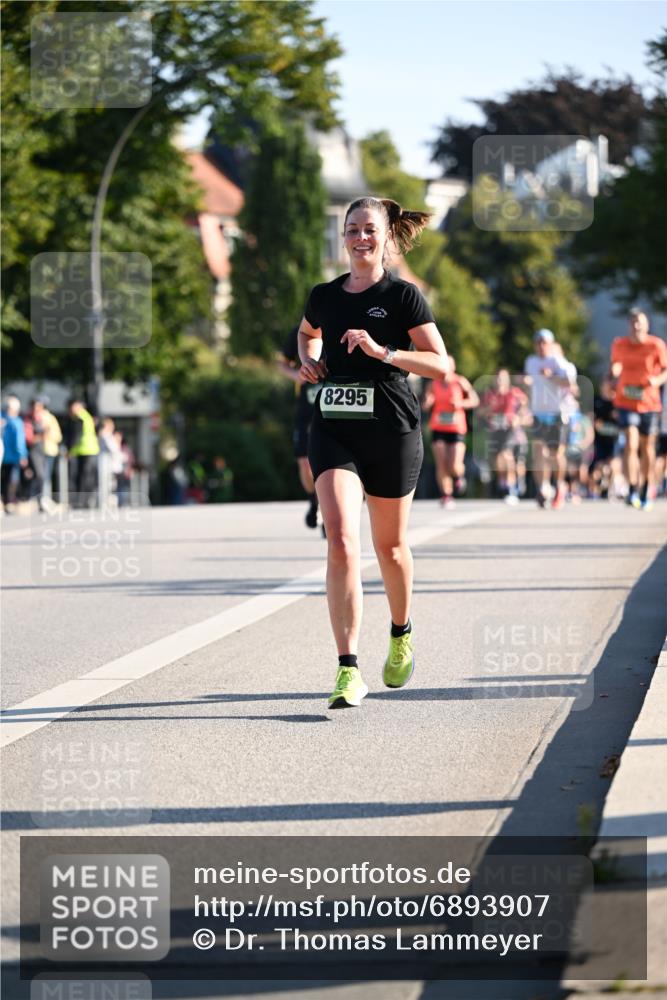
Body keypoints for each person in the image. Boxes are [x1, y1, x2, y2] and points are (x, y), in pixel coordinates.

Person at [298, 196, 448, 709]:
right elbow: (306, 334)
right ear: (343, 237)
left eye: (369, 229)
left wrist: (383, 352)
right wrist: (310, 362)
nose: (361, 237)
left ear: (386, 238)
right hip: (335, 426)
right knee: (340, 539)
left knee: (390, 549)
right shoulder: (323, 296)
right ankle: (347, 669)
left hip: (392, 425)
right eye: (352, 229)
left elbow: (440, 365)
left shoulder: (402, 296)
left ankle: (401, 630)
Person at [610, 308, 667, 511]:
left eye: (640, 322)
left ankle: (646, 488)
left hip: (649, 403)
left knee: (648, 447)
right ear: (629, 325)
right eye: (633, 322)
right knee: (631, 443)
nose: (636, 326)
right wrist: (614, 372)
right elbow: (615, 365)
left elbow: (666, 370)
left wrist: (657, 380)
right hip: (625, 401)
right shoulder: (619, 344)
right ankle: (633, 487)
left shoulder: (656, 345)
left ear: (647, 325)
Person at [523, 329, 578, 509]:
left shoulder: (558, 362)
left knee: (555, 455)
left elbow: (569, 384)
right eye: (538, 342)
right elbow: (530, 385)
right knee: (539, 452)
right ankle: (542, 488)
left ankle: (558, 485)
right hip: (539, 413)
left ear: (551, 344)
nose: (541, 345)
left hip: (557, 413)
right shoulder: (530, 362)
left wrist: (551, 377)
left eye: (544, 342)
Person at [277, 324, 321, 530]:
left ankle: (330, 508)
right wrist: (297, 376)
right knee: (305, 462)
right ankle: (315, 500)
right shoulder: (299, 332)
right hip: (306, 407)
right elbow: (282, 364)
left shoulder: (343, 323)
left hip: (335, 406)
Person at [423, 357, 479, 508]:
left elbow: (474, 400)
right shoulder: (433, 383)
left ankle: (459, 476)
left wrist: (461, 403)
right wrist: (428, 402)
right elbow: (427, 403)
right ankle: (446, 495)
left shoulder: (460, 381)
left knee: (454, 464)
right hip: (438, 426)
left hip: (456, 428)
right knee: (441, 463)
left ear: (453, 367)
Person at [478, 368, 529, 504]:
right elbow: (480, 412)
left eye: (503, 377)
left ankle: (512, 487)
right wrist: (489, 408)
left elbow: (525, 408)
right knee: (499, 460)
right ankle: (505, 483)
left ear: (507, 379)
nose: (500, 380)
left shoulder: (515, 393)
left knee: (509, 457)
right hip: (496, 431)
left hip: (513, 432)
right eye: (497, 378)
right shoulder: (489, 395)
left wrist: (518, 417)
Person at [66, 398, 100, 506]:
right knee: (87, 476)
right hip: (90, 450)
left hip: (84, 450)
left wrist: (70, 450)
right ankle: (87, 500)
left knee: (82, 477)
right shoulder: (86, 416)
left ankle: (81, 501)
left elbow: (77, 435)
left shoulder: (80, 417)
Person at [1, 396, 28, 512]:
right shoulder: (16, 422)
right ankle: (9, 502)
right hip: (12, 457)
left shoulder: (2, 419)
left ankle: (4, 501)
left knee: (3, 479)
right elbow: (19, 442)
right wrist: (22, 455)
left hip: (3, 456)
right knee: (12, 480)